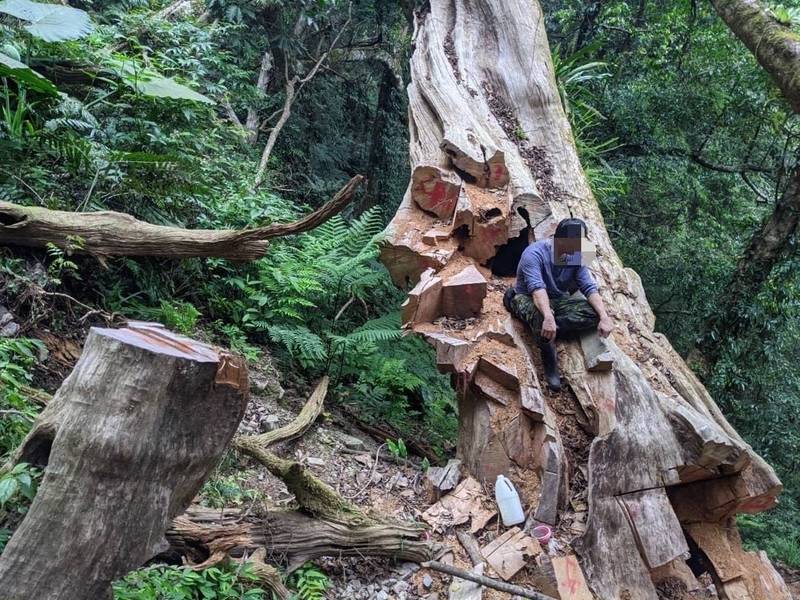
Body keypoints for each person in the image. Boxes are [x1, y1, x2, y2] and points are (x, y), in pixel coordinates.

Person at [504, 218, 613, 391]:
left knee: (594, 313)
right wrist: (548, 316)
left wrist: (604, 316)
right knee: (541, 316)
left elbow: (588, 286)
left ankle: (548, 329)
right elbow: (537, 289)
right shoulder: (534, 254)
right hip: (528, 297)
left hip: (557, 299)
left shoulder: (578, 255)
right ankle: (549, 355)